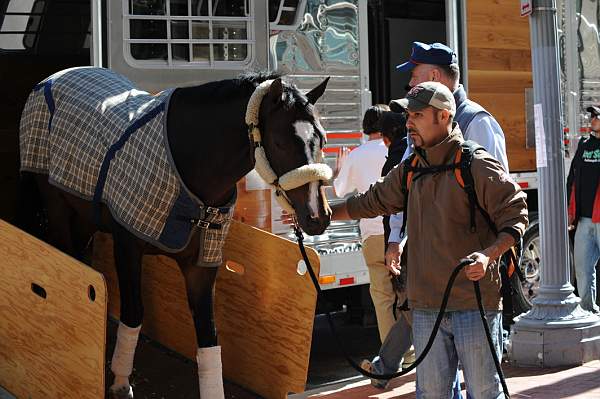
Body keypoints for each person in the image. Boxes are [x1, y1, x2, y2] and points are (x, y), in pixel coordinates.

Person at [330, 81, 528, 398]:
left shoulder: (476, 163)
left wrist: (489, 255)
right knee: (433, 394)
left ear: (444, 116)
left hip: (473, 306)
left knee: (484, 392)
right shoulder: (411, 168)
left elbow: (516, 214)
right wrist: (323, 215)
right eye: (408, 115)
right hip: (425, 308)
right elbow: (371, 201)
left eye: (417, 115)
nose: (408, 123)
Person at [389, 43, 511, 396]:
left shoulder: (476, 122)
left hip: (469, 287)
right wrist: (396, 237)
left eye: (414, 75)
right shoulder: (420, 122)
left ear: (435, 77)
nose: (410, 83)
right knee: (436, 388)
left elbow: (501, 201)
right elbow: (402, 185)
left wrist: (488, 256)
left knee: (482, 388)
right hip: (431, 284)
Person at [360, 109, 415, 389]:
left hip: (387, 240)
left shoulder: (394, 158)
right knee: (408, 303)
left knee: (389, 300)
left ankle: (392, 361)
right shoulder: (411, 153)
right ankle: (405, 358)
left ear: (385, 136)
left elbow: (385, 203)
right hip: (405, 241)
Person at [332, 104, 396, 342]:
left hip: (371, 235)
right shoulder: (395, 149)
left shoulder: (356, 155)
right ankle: (411, 352)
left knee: (381, 297)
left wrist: (339, 170)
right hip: (397, 233)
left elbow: (339, 192)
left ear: (366, 127)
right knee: (404, 294)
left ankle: (391, 354)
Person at [567, 105, 600, 314]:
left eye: (597, 116)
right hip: (584, 219)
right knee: (582, 270)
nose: (593, 119)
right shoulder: (584, 144)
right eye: (592, 116)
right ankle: (589, 310)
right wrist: (570, 211)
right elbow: (572, 177)